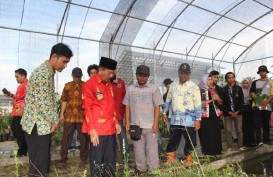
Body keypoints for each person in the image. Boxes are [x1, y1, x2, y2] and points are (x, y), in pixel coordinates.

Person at [21, 43, 73, 177]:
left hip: (42, 124)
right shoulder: (42, 74)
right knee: (38, 166)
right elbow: (43, 104)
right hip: (37, 125)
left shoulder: (49, 72)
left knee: (41, 163)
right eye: (64, 61)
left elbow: (49, 100)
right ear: (54, 57)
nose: (65, 65)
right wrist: (56, 121)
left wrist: (53, 121)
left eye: (67, 62)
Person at [82, 57, 121, 177]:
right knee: (97, 162)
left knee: (110, 160)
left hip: (110, 129)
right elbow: (87, 108)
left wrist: (116, 123)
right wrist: (92, 130)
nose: (111, 76)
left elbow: (111, 106)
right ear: (100, 70)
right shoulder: (89, 85)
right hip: (97, 131)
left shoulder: (109, 85)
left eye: (113, 74)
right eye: (109, 73)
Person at [123, 65, 163, 175]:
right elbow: (127, 105)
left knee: (152, 149)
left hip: (150, 125)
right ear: (136, 75)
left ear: (148, 76)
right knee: (138, 148)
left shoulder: (153, 89)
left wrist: (155, 124)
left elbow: (157, 106)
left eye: (145, 75)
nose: (142, 78)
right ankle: (140, 169)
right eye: (140, 75)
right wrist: (127, 121)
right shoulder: (130, 89)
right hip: (135, 125)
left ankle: (153, 170)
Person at [163, 63, 201, 168]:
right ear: (178, 73)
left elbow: (197, 104)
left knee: (190, 140)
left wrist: (198, 119)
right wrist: (164, 112)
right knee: (173, 139)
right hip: (175, 119)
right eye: (182, 73)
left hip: (190, 120)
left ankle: (189, 160)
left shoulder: (194, 87)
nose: (184, 75)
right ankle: (170, 159)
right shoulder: (173, 85)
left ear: (189, 74)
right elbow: (168, 99)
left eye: (186, 73)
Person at [58, 67, 88, 167]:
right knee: (66, 138)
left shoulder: (85, 86)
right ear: (72, 76)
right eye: (75, 77)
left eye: (79, 77)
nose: (77, 79)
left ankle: (83, 159)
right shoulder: (67, 86)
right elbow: (64, 100)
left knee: (83, 139)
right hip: (69, 117)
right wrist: (62, 113)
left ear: (81, 76)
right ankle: (63, 159)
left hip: (81, 117)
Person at [5, 68, 28, 157]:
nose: (16, 78)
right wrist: (11, 95)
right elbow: (19, 97)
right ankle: (22, 149)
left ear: (23, 76)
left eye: (17, 77)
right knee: (16, 130)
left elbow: (27, 99)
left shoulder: (26, 86)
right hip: (17, 112)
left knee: (20, 131)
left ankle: (22, 151)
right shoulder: (22, 85)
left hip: (20, 112)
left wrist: (22, 108)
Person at [198, 74, 222, 156]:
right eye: (208, 79)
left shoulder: (212, 90)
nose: (210, 81)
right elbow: (200, 104)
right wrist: (212, 100)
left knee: (215, 133)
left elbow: (220, 102)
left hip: (214, 114)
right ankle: (206, 151)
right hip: (205, 115)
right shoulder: (200, 91)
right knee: (206, 133)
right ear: (204, 80)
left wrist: (218, 99)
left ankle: (216, 151)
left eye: (211, 79)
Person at [250, 65, 273, 145]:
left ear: (266, 72)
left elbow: (271, 94)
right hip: (256, 106)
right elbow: (252, 92)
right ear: (259, 73)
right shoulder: (255, 82)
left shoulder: (271, 82)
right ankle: (258, 141)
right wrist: (259, 100)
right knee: (257, 123)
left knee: (266, 123)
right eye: (260, 72)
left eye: (263, 71)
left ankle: (266, 140)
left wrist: (266, 102)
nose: (262, 73)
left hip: (268, 106)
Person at [222, 72, 245, 153]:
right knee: (228, 130)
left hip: (238, 113)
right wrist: (229, 112)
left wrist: (237, 111)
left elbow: (242, 102)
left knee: (239, 129)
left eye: (232, 77)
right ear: (226, 79)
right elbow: (222, 103)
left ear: (234, 78)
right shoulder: (223, 89)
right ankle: (229, 147)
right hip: (227, 114)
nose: (231, 79)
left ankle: (241, 146)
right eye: (229, 78)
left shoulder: (239, 88)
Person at [110, 74, 130, 166]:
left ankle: (127, 162)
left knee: (123, 141)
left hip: (119, 118)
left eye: (114, 69)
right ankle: (112, 162)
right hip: (108, 119)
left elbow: (126, 101)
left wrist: (126, 119)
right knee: (110, 142)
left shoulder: (121, 83)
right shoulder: (105, 83)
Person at [241, 78, 255, 147]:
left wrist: (250, 102)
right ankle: (245, 142)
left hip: (250, 110)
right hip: (242, 110)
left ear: (249, 84)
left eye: (246, 83)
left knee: (251, 126)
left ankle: (252, 141)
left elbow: (255, 100)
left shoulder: (251, 91)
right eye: (243, 83)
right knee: (244, 126)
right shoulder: (240, 91)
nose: (245, 85)